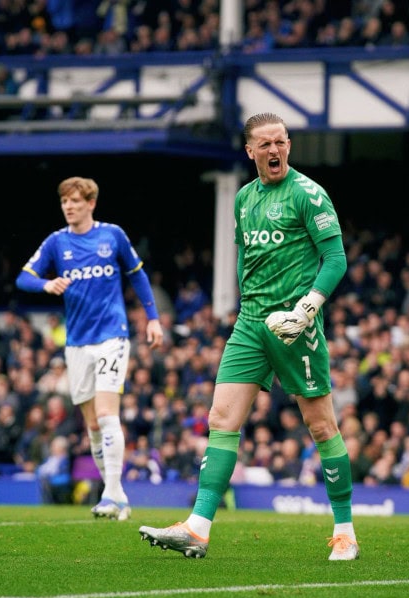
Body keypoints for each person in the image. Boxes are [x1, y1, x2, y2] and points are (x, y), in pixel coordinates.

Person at [138, 112, 357, 561]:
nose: (275, 150)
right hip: (251, 325)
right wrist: (242, 309)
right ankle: (198, 528)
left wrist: (307, 307)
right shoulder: (242, 199)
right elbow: (244, 261)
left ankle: (345, 531)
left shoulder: (309, 194)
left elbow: (335, 259)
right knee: (221, 419)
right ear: (250, 151)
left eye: (281, 142)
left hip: (295, 326)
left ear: (289, 146)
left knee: (320, 425)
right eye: (266, 144)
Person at [15, 176, 163, 521]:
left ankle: (111, 493)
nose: (69, 206)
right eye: (65, 201)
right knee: (93, 424)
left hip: (112, 335)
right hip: (77, 342)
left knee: (108, 413)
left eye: (76, 201)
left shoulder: (112, 235)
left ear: (91, 203)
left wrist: (153, 318)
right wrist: (46, 283)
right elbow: (24, 277)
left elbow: (138, 275)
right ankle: (118, 495)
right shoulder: (56, 242)